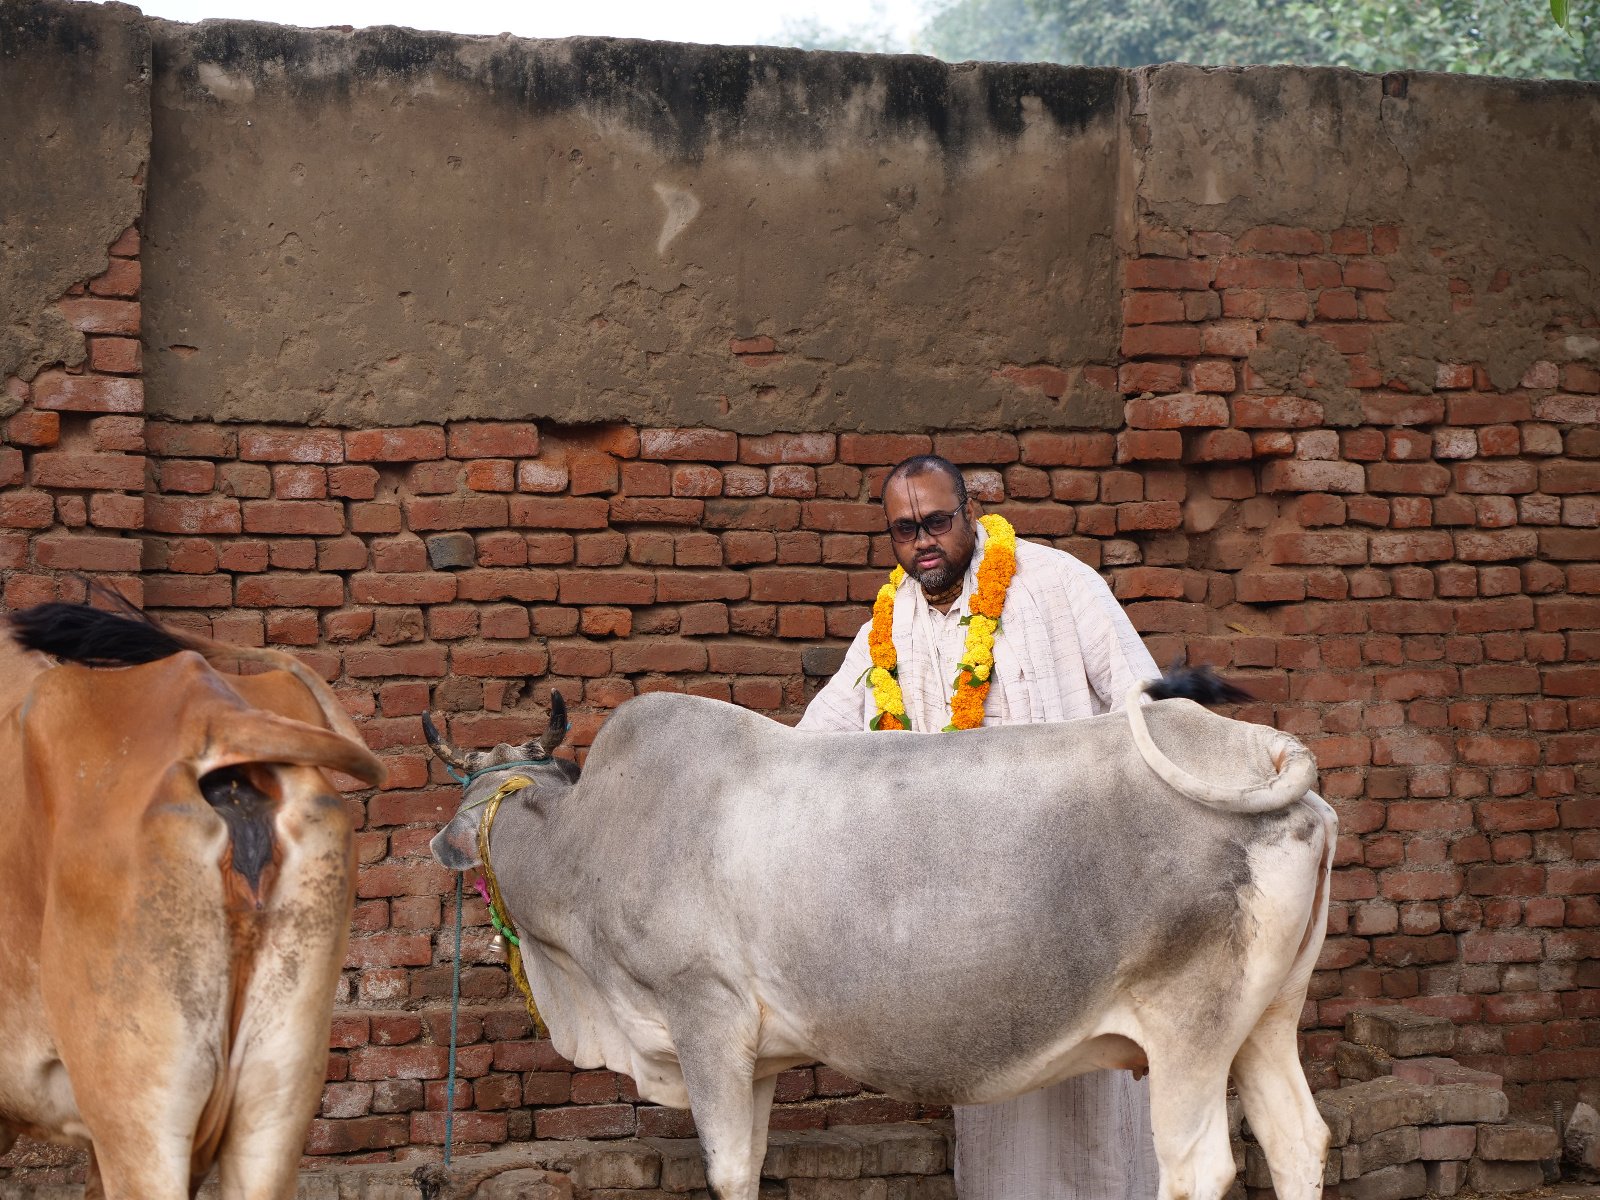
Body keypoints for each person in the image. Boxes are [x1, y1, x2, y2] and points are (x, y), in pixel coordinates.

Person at [797, 453, 1161, 1200]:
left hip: (1079, 898)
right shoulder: (887, 627)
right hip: (969, 929)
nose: (922, 541)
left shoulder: (1057, 584)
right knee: (1000, 1112)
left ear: (971, 512)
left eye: (936, 521)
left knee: (1097, 1103)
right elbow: (817, 740)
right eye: (904, 531)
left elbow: (1146, 704)